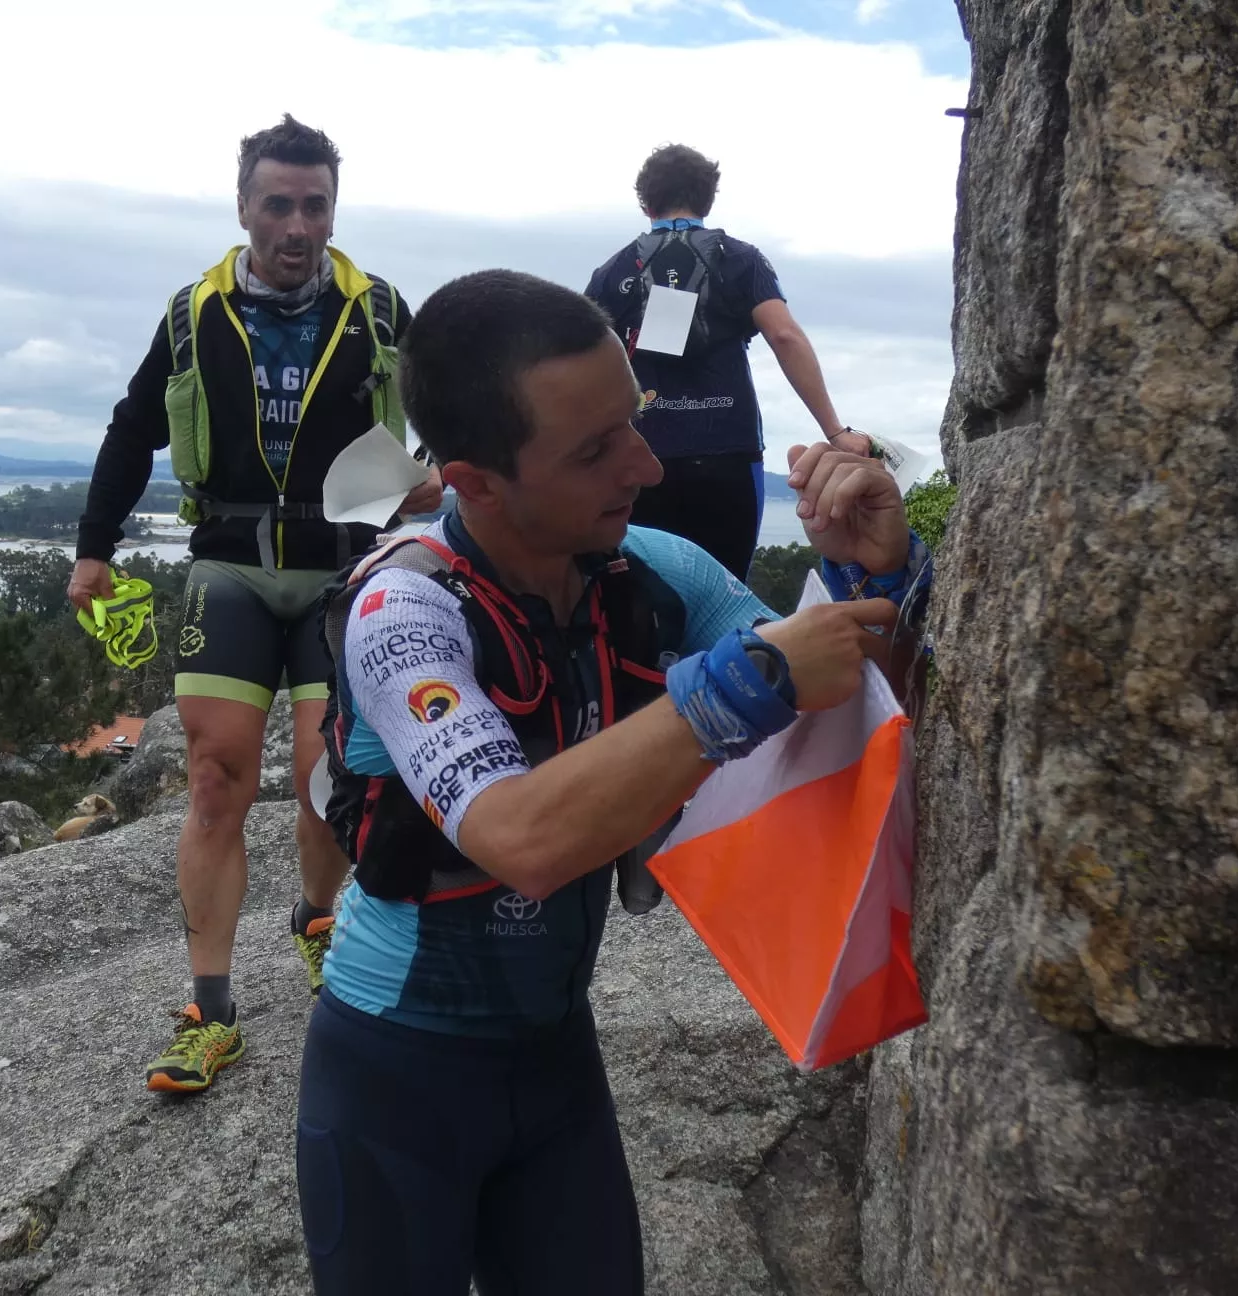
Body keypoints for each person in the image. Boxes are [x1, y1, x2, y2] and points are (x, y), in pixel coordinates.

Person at [296, 269, 928, 1294]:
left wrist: (876, 581)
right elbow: (522, 839)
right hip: (394, 1069)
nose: (645, 463)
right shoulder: (401, 611)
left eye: (631, 421)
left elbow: (849, 713)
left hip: (555, 1063)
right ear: (476, 480)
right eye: (595, 450)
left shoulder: (649, 569)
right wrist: (750, 680)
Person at [68, 115, 442, 1095]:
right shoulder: (195, 314)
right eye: (277, 203)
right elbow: (130, 430)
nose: (297, 225)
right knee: (215, 778)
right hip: (229, 566)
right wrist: (94, 550)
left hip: (338, 572)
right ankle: (211, 1009)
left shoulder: (380, 313)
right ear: (243, 207)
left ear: (332, 211)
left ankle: (317, 922)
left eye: (315, 205)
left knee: (327, 778)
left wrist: (441, 478)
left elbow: (447, 415)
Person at [585, 143, 874, 579]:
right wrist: (836, 431)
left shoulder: (614, 271)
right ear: (708, 200)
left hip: (642, 458)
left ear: (645, 204)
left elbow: (580, 358)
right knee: (726, 590)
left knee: (644, 596)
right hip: (728, 455)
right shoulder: (740, 260)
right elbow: (784, 335)